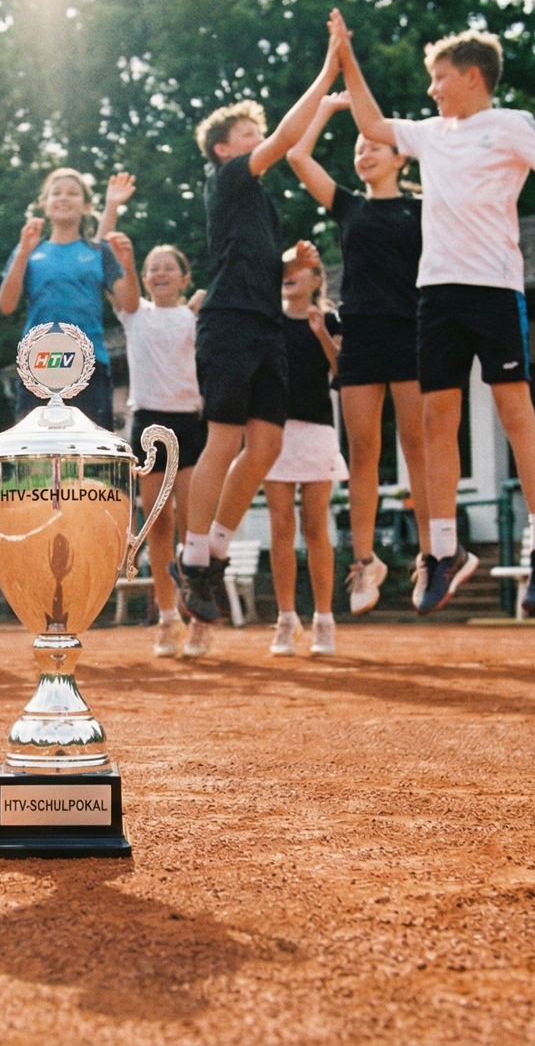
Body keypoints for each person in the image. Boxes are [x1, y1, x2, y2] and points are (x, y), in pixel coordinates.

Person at [330, 9, 535, 614]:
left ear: (472, 76)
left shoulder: (511, 125)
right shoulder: (429, 134)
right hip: (436, 295)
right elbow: (370, 121)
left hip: (494, 289)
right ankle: (441, 552)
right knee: (436, 421)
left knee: (514, 411)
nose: (432, 89)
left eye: (440, 77)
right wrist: (346, 55)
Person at [174, 31, 343, 625]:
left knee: (266, 446)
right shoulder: (228, 179)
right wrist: (327, 73)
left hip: (266, 326)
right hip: (229, 323)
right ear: (224, 149)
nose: (258, 137)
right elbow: (289, 137)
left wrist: (291, 261)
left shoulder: (260, 203)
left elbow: (258, 263)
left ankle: (215, 554)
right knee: (224, 440)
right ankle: (193, 557)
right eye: (249, 132)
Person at [287, 90, 431, 613]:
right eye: (358, 149)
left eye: (374, 146)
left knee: (417, 446)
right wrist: (326, 109)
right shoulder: (349, 206)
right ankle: (366, 562)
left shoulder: (423, 209)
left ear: (400, 156)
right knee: (364, 451)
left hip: (411, 331)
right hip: (361, 337)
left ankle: (433, 557)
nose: (364, 154)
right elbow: (297, 156)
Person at [111, 241, 209, 659]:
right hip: (148, 421)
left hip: (189, 421)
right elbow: (111, 273)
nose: (161, 274)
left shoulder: (195, 315)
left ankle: (199, 619)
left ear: (185, 278)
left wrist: (200, 305)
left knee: (192, 525)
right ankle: (168, 617)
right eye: (154, 268)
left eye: (170, 267)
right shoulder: (134, 315)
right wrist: (126, 257)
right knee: (158, 522)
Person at [0, 167, 139, 429]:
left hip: (89, 362)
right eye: (57, 193)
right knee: (38, 447)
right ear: (45, 204)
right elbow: (6, 305)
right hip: (39, 360)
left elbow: (129, 304)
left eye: (73, 193)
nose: (64, 198)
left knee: (89, 444)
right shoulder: (29, 250)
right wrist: (23, 253)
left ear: (86, 206)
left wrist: (128, 265)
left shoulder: (99, 252)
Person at [264, 246, 347, 657]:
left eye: (300, 267)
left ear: (316, 280)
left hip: (317, 431)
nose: (290, 273)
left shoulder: (330, 320)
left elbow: (343, 374)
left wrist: (321, 335)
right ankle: (286, 619)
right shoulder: (269, 320)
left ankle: (324, 620)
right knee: (281, 528)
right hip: (274, 432)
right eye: (286, 268)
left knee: (316, 528)